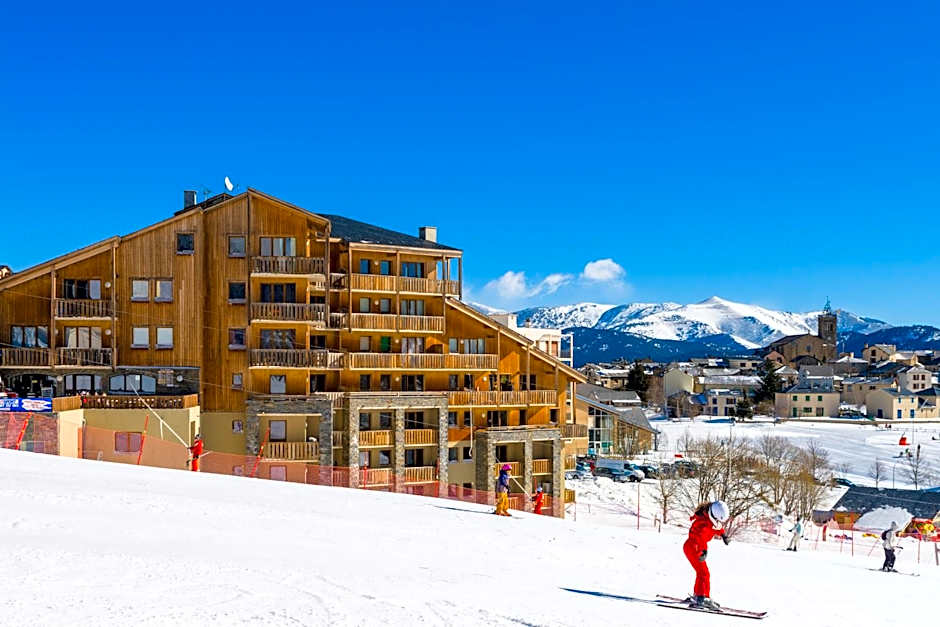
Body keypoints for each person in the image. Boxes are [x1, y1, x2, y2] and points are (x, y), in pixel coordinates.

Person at [684, 500, 731, 610]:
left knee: (701, 572)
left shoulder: (711, 519)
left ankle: (698, 595)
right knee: (704, 573)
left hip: (694, 547)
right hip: (693, 548)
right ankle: (702, 598)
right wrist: (702, 551)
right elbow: (699, 539)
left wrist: (723, 535)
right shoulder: (702, 523)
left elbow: (717, 527)